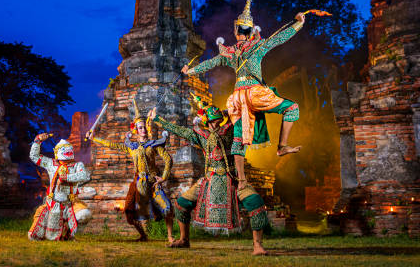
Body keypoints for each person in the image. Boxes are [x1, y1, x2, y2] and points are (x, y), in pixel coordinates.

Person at [182, 0, 305, 191]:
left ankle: (241, 180)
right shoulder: (258, 46)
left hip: (238, 98)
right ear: (250, 32)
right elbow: (279, 38)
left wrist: (189, 71)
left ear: (236, 31)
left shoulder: (230, 53)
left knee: (239, 140)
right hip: (256, 94)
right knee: (292, 108)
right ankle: (282, 146)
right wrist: (298, 24)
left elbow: (210, 63)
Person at [150, 103, 269, 255]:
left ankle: (258, 245)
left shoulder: (231, 130)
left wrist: (234, 110)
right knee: (181, 204)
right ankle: (184, 240)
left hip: (233, 178)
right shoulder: (201, 135)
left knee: (255, 202)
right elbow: (179, 130)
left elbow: (247, 118)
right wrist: (157, 119)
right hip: (209, 180)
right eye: (213, 121)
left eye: (218, 120)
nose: (216, 124)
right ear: (207, 122)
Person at [86, 100, 174, 242]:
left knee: (167, 207)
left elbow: (168, 159)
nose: (143, 130)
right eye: (140, 128)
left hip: (153, 182)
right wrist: (94, 138)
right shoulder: (131, 146)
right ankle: (143, 235)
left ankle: (170, 237)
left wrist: (163, 177)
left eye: (145, 127)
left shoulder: (154, 144)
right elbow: (111, 144)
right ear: (135, 130)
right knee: (129, 209)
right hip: (138, 181)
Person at [28, 136, 92, 241]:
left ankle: (70, 235)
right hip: (53, 203)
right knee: (39, 237)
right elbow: (34, 157)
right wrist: (37, 141)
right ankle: (55, 235)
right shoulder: (51, 164)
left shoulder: (77, 165)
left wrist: (66, 178)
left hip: (71, 203)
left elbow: (84, 176)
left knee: (84, 214)